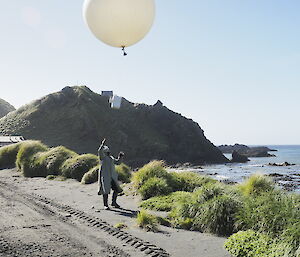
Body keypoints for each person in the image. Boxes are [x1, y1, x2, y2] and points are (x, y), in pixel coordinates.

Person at [98, 138, 124, 210]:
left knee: (116, 189)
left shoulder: (111, 158)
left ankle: (113, 202)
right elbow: (99, 152)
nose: (108, 152)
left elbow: (118, 162)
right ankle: (105, 205)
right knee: (105, 191)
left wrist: (120, 157)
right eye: (107, 151)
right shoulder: (102, 158)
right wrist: (102, 145)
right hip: (105, 176)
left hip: (112, 177)